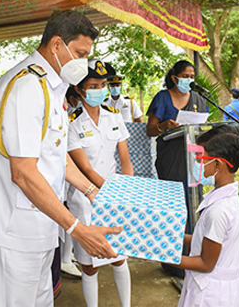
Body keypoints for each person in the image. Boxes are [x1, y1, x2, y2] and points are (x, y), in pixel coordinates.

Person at [0, 10, 121, 307]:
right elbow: (23, 173)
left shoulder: (52, 87)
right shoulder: (27, 87)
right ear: (56, 45)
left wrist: (93, 192)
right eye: (80, 53)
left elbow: (56, 155)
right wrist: (77, 229)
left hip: (41, 221)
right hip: (13, 227)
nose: (84, 62)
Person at [66, 59, 134, 307]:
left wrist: (126, 189)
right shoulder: (72, 122)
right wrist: (111, 192)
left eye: (103, 84)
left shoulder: (114, 117)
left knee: (119, 257)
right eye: (94, 85)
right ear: (80, 90)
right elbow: (84, 168)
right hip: (86, 201)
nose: (100, 90)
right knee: (90, 264)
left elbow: (125, 159)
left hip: (116, 196)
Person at [177, 125, 239, 307]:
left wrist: (164, 256)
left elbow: (205, 263)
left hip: (212, 295)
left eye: (200, 159)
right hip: (219, 288)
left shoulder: (219, 211)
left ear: (217, 165)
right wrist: (176, 238)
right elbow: (206, 241)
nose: (196, 164)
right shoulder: (228, 197)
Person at [146, 61, 208, 225]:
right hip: (170, 158)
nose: (189, 80)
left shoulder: (198, 99)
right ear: (174, 78)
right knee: (172, 204)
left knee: (193, 200)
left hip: (192, 157)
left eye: (192, 77)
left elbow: (203, 126)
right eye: (185, 76)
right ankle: (173, 243)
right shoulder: (162, 97)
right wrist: (164, 126)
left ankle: (191, 244)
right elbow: (150, 130)